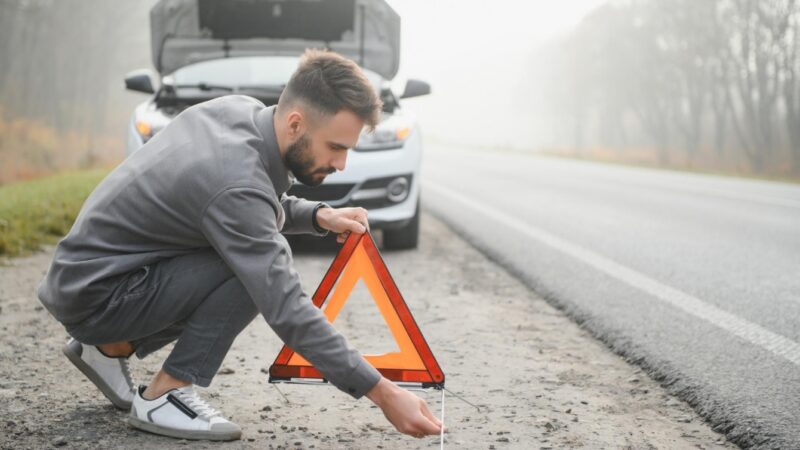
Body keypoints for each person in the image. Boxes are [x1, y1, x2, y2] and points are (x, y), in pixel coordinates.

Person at [36, 49, 443, 441]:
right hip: (99, 297)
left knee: (245, 255)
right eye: (336, 147)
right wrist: (384, 393)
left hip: (87, 279)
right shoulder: (237, 184)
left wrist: (318, 215)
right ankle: (164, 395)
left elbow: (242, 199)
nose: (341, 165)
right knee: (252, 275)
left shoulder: (238, 112)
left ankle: (109, 349)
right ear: (296, 124)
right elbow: (285, 305)